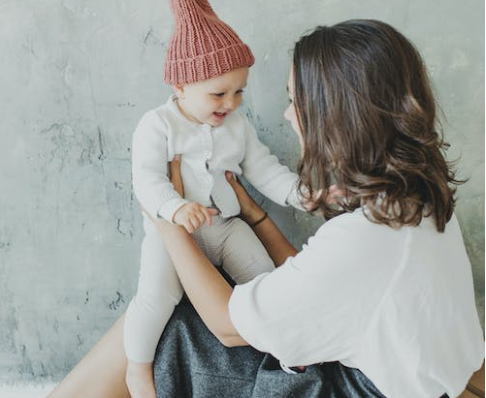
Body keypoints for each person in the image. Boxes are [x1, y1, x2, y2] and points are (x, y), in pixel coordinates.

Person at [47, 19, 484, 398]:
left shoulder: (368, 238)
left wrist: (166, 220)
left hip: (346, 388)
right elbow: (318, 286)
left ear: (336, 115)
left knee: (175, 329)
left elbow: (225, 325)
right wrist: (256, 217)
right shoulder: (411, 202)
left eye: (296, 101)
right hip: (394, 376)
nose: (288, 115)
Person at [125, 0, 304, 397]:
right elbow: (146, 180)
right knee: (156, 297)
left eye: (239, 91)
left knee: (262, 275)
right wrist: (174, 207)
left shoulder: (237, 126)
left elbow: (262, 168)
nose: (231, 103)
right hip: (172, 232)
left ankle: (285, 350)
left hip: (223, 224)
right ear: (180, 87)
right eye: (219, 93)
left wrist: (297, 194)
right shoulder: (157, 125)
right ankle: (137, 369)